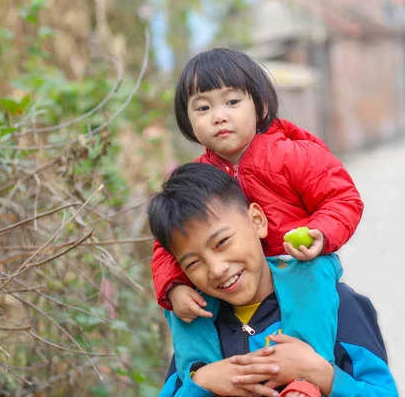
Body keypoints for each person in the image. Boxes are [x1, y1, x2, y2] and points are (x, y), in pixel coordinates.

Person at [150, 48, 364, 394]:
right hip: (230, 279)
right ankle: (201, 374)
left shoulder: (293, 154)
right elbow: (167, 245)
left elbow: (342, 198)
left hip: (296, 263)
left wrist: (320, 235)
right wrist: (173, 287)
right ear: (189, 122)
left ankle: (303, 378)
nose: (219, 116)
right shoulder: (197, 179)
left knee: (312, 280)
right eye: (203, 108)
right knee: (185, 304)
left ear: (260, 106)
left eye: (231, 102)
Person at [148, 162, 398, 396]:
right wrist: (201, 384)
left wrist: (320, 373)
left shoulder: (332, 303)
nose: (216, 269)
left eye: (222, 243)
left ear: (257, 220)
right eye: (193, 263)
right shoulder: (200, 332)